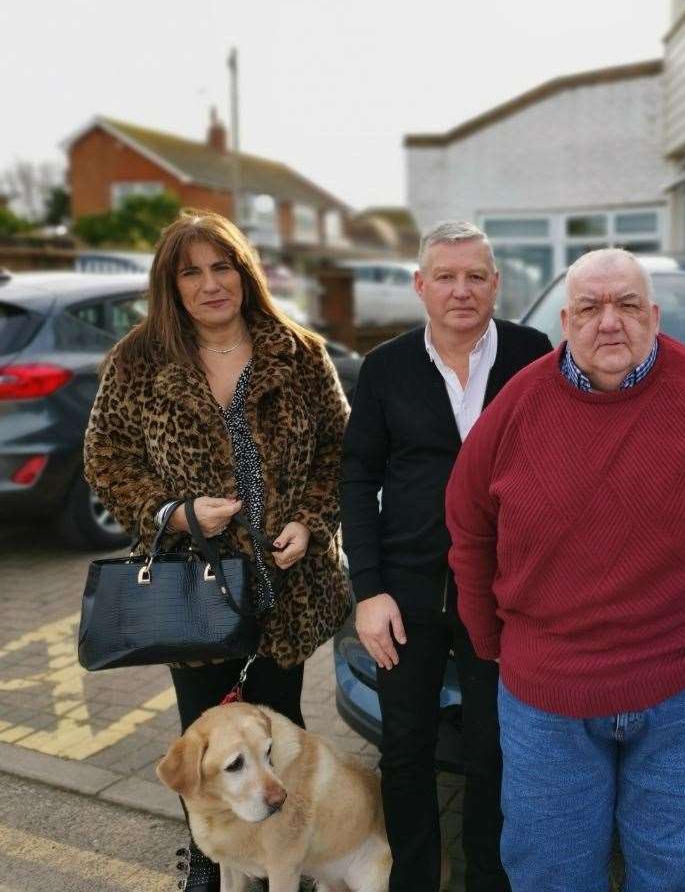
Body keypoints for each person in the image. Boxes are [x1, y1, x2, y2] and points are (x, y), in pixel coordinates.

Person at [444, 247, 685, 892]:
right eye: (590, 307)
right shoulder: (514, 410)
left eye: (627, 306)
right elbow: (469, 529)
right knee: (549, 873)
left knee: (675, 873)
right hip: (546, 696)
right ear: (565, 318)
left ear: (655, 315)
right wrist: (490, 641)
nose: (609, 322)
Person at [83, 209, 353, 892]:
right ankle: (209, 860)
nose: (210, 284)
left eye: (222, 266)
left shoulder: (298, 352)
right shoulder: (139, 362)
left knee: (278, 740)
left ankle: (280, 857)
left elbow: (340, 452)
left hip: (283, 590)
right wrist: (172, 514)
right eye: (192, 272)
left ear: (244, 271)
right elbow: (105, 458)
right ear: (171, 286)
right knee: (204, 744)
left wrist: (310, 523)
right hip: (193, 594)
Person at [340, 221, 552, 892]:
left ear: (495, 283)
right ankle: (415, 875)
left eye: (475, 276)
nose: (461, 290)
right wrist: (367, 592)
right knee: (406, 748)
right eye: (446, 276)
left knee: (495, 749)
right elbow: (356, 478)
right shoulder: (386, 368)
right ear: (421, 285)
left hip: (504, 592)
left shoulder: (533, 354)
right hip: (406, 596)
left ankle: (488, 874)